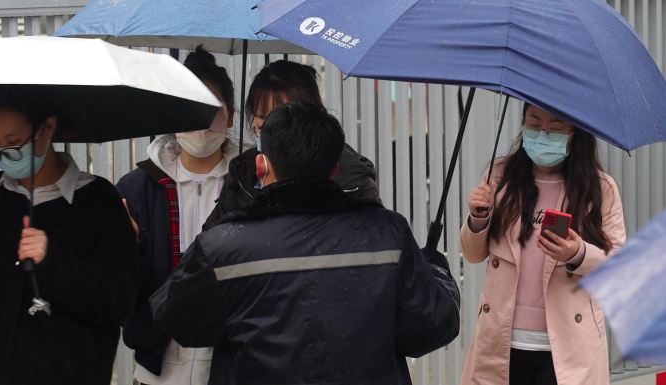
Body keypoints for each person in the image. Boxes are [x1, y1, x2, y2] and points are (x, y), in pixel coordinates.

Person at [150, 101, 461, 385]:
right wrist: (436, 267)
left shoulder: (224, 246)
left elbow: (175, 317)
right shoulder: (388, 234)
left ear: (261, 166)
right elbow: (430, 327)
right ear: (335, 169)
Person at [459, 103, 626, 385]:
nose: (543, 134)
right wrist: (478, 217)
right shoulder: (499, 177)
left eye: (556, 129)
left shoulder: (600, 189)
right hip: (502, 341)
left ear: (576, 134)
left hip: (567, 347)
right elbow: (473, 254)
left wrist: (578, 254)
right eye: (534, 124)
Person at [0, 85, 137, 385]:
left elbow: (119, 299)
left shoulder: (97, 201)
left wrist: (51, 262)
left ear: (48, 127)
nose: (4, 155)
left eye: (14, 143)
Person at [115, 46, 237, 385]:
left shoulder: (250, 185)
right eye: (188, 107)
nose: (200, 124)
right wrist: (128, 246)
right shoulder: (136, 188)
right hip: (158, 366)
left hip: (231, 364)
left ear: (231, 115)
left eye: (211, 109)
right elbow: (122, 288)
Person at [204, 60, 380, 228]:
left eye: (283, 118)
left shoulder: (353, 178)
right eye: (262, 119)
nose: (272, 130)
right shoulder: (243, 174)